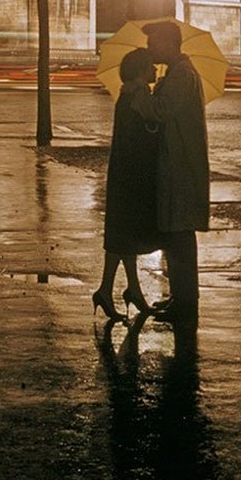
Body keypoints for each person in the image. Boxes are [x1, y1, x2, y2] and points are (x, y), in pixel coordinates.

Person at [132, 20, 209, 329]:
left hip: (181, 165)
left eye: (154, 43)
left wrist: (138, 92)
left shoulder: (182, 76)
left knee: (180, 236)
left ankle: (187, 304)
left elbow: (160, 111)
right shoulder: (176, 74)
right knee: (175, 236)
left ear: (168, 43)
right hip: (175, 163)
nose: (150, 49)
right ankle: (180, 296)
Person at [92, 46, 162, 322]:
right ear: (141, 70)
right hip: (135, 173)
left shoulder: (126, 93)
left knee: (123, 232)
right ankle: (110, 290)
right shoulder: (140, 94)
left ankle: (124, 289)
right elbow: (156, 121)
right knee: (125, 233)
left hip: (123, 169)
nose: (156, 69)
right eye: (151, 66)